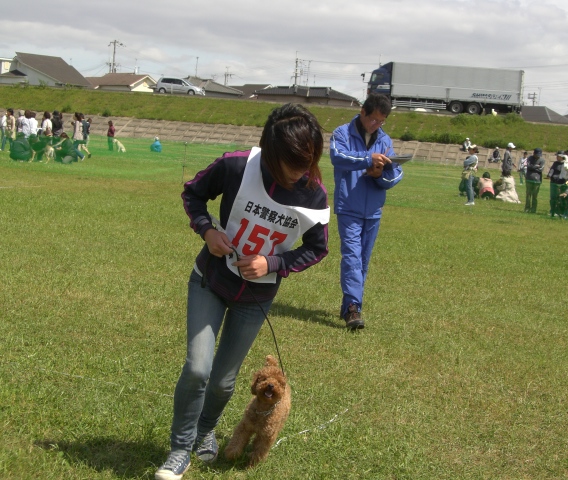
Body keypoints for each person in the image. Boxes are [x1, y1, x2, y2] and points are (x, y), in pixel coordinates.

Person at [155, 104, 330, 480]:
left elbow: (317, 247)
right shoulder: (237, 165)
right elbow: (193, 194)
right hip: (210, 281)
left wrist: (274, 264)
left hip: (256, 299)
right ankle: (180, 449)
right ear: (270, 151)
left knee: (222, 381)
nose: (302, 172)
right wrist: (207, 230)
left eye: (309, 162)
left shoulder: (314, 194)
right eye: (294, 163)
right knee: (198, 367)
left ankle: (205, 432)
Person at [329, 93, 403, 330]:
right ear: (363, 112)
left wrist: (380, 175)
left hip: (373, 210)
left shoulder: (385, 140)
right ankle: (353, 309)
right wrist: (367, 159)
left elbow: (397, 174)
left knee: (362, 261)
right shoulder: (342, 133)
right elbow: (337, 157)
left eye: (381, 122)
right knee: (351, 257)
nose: (376, 125)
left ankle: (350, 306)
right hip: (349, 206)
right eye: (373, 119)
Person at [546, 151, 567, 218]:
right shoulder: (555, 163)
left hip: (561, 182)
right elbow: (552, 170)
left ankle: (559, 211)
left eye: (558, 156)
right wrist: (549, 175)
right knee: (553, 197)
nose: (557, 157)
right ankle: (552, 210)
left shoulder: (565, 164)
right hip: (553, 182)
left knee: (560, 198)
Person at [524, 148, 545, 213]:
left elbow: (541, 169)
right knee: (528, 195)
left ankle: (533, 209)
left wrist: (533, 167)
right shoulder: (529, 158)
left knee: (535, 196)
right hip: (529, 179)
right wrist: (536, 166)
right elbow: (528, 167)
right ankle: (527, 208)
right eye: (537, 154)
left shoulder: (542, 160)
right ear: (534, 153)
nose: (538, 156)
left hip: (537, 180)